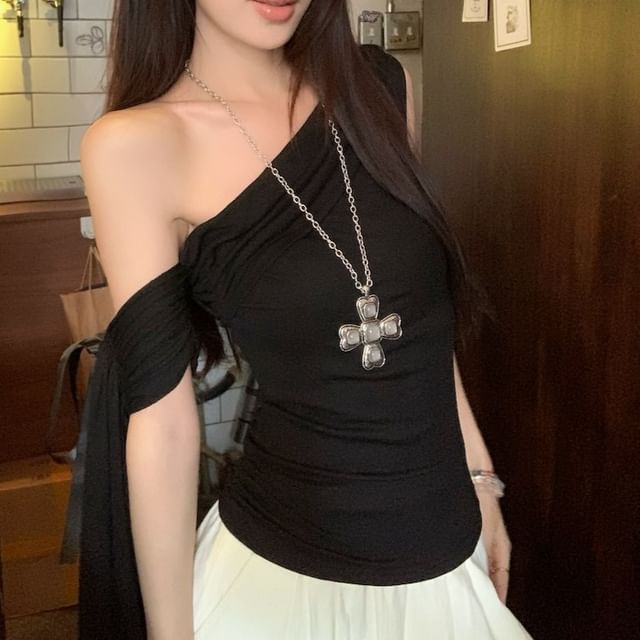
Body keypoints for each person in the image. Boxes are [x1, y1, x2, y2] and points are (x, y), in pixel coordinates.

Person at [76, 1, 535, 638]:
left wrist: (480, 478)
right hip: (282, 573)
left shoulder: (381, 88)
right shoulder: (139, 146)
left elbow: (418, 322)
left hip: (444, 549)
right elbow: (163, 421)